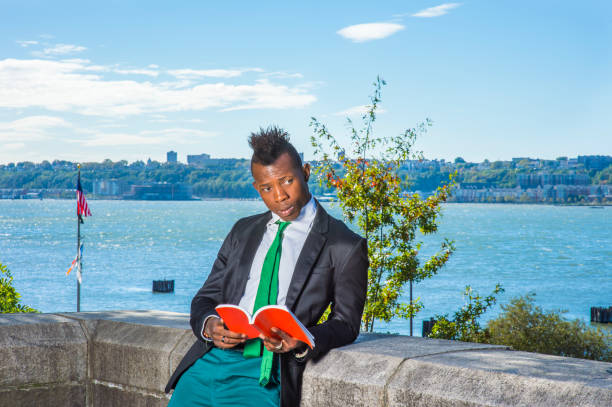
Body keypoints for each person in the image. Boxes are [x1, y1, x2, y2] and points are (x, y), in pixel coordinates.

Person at [165, 126, 368, 407]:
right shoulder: (242, 231)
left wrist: (301, 340)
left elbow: (346, 323)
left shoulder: (344, 244)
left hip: (267, 372)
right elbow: (205, 298)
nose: (279, 196)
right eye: (267, 188)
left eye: (287, 181)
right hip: (209, 363)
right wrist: (210, 325)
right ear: (256, 188)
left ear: (306, 173)